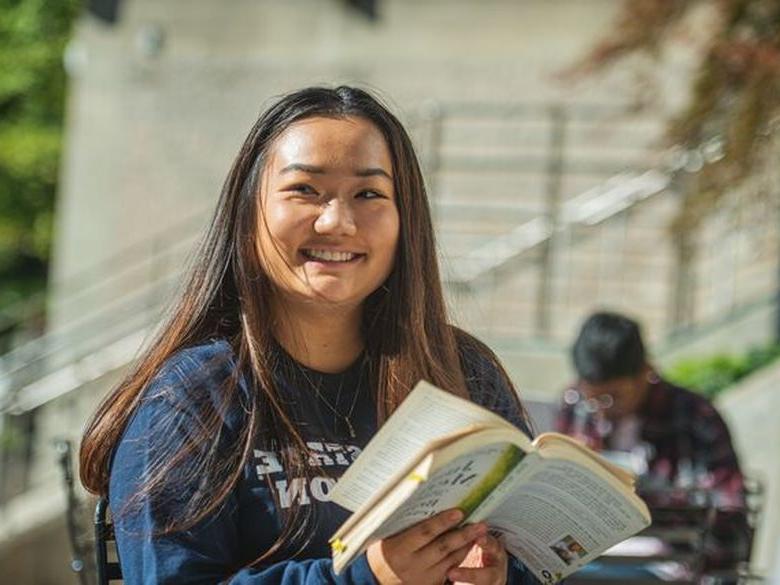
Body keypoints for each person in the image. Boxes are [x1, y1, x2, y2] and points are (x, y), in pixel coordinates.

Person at [79, 86, 542, 584]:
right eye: (305, 190)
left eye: (369, 194)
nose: (337, 222)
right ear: (248, 212)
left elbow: (530, 562)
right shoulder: (193, 400)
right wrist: (366, 578)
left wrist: (498, 576)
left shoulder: (464, 372)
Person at [555, 311, 751, 573]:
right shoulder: (575, 404)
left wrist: (652, 498)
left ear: (646, 372)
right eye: (594, 399)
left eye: (613, 397)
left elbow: (728, 515)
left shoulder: (694, 415)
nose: (601, 410)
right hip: (588, 554)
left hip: (667, 559)